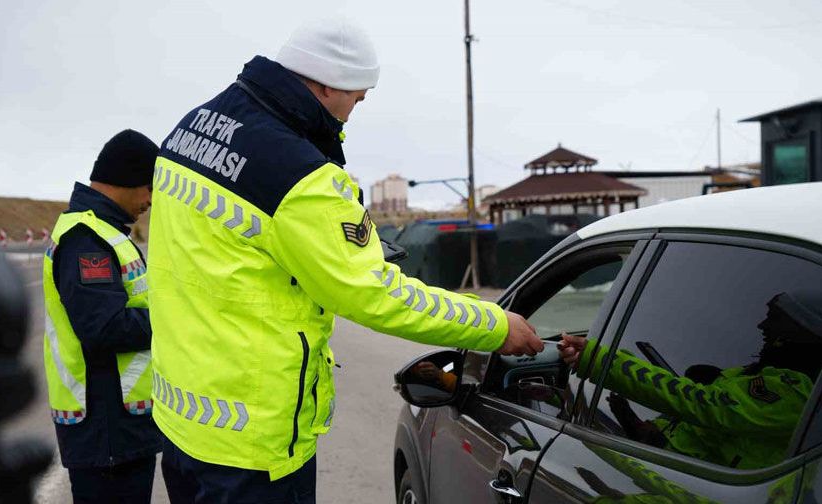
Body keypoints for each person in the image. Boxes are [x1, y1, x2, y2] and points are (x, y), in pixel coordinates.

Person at [146, 19, 543, 503]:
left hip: (182, 419)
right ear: (324, 83)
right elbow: (374, 293)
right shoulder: (299, 174)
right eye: (355, 98)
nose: (354, 112)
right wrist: (495, 326)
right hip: (251, 442)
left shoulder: (192, 127)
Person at [559, 290, 822, 470]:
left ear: (802, 328)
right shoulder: (753, 375)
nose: (762, 326)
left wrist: (601, 361)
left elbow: (697, 402)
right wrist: (646, 429)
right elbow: (702, 427)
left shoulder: (797, 393)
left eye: (774, 318)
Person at [42, 130, 161, 503]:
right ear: (130, 179)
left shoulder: (106, 233)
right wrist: (172, 319)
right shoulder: (86, 240)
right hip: (106, 427)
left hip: (119, 424)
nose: (150, 201)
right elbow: (105, 327)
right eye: (149, 188)